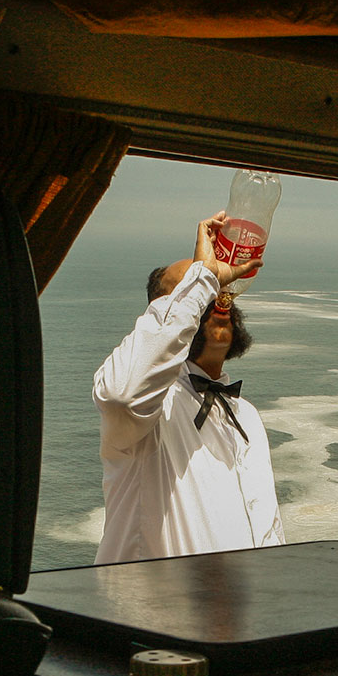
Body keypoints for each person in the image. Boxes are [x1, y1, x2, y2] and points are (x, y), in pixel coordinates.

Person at [93, 210, 285, 563]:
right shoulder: (151, 407)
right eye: (199, 290)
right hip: (151, 614)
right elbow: (122, 394)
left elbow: (266, 529)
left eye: (218, 286)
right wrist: (200, 282)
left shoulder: (246, 415)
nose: (216, 297)